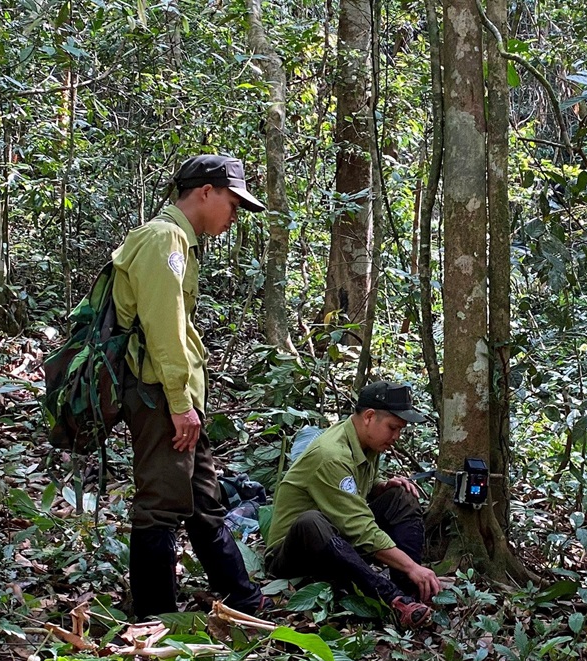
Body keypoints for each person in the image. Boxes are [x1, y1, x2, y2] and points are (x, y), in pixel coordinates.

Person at [112, 154, 267, 620]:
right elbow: (165, 330)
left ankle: (242, 597)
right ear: (206, 192)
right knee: (160, 505)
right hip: (159, 394)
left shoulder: (177, 242)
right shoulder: (164, 241)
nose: (234, 215)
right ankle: (153, 617)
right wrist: (181, 404)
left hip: (174, 397)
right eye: (232, 203)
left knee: (203, 500)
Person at [266, 381, 441, 628]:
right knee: (310, 522)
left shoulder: (367, 443)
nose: (396, 437)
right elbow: (359, 527)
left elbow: (354, 491)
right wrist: (411, 564)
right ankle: (392, 598)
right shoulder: (331, 454)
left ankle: (411, 591)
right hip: (295, 556)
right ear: (369, 416)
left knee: (401, 496)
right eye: (393, 428)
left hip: (338, 541)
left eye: (400, 430)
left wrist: (380, 486)